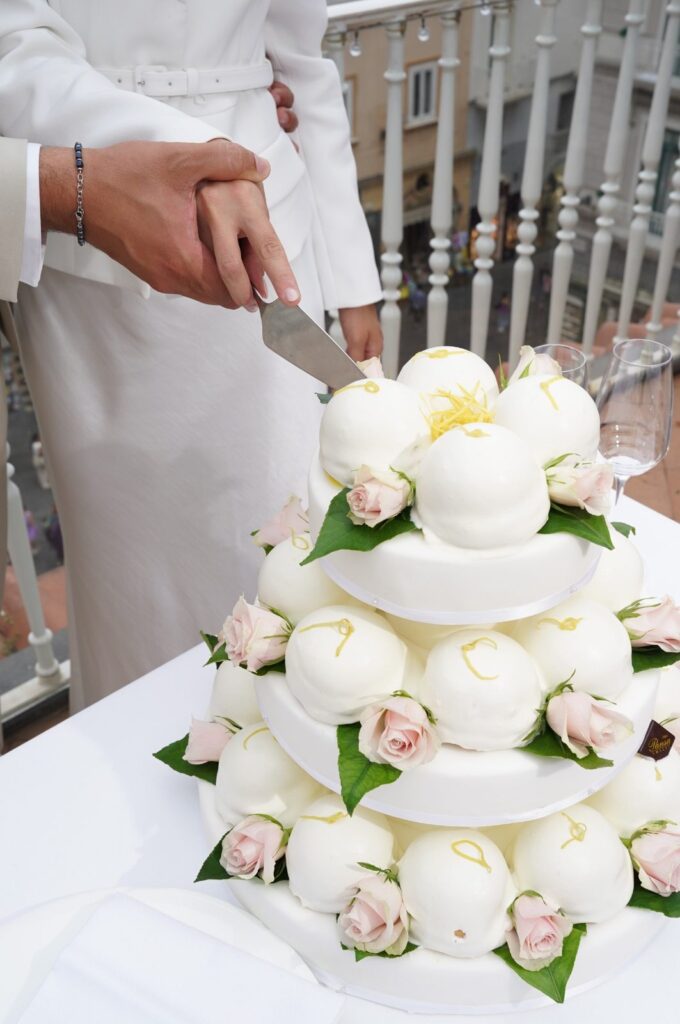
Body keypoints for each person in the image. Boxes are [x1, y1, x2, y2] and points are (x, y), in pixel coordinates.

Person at [0, 0, 384, 709]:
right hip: (96, 244)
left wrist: (353, 281)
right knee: (129, 587)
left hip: (269, 215)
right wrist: (191, 149)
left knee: (287, 546)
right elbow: (12, 41)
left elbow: (302, 56)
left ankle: (285, 749)